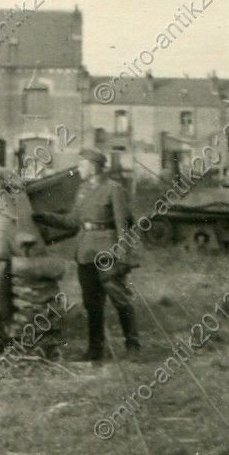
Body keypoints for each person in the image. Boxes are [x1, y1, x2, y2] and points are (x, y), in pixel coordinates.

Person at [36, 148, 140, 361]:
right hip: (85, 253)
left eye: (82, 165)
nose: (79, 169)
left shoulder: (113, 189)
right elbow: (73, 222)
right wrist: (43, 217)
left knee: (120, 298)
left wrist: (124, 257)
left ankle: (133, 346)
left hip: (108, 252)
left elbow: (123, 225)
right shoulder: (82, 190)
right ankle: (95, 349)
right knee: (92, 303)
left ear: (93, 167)